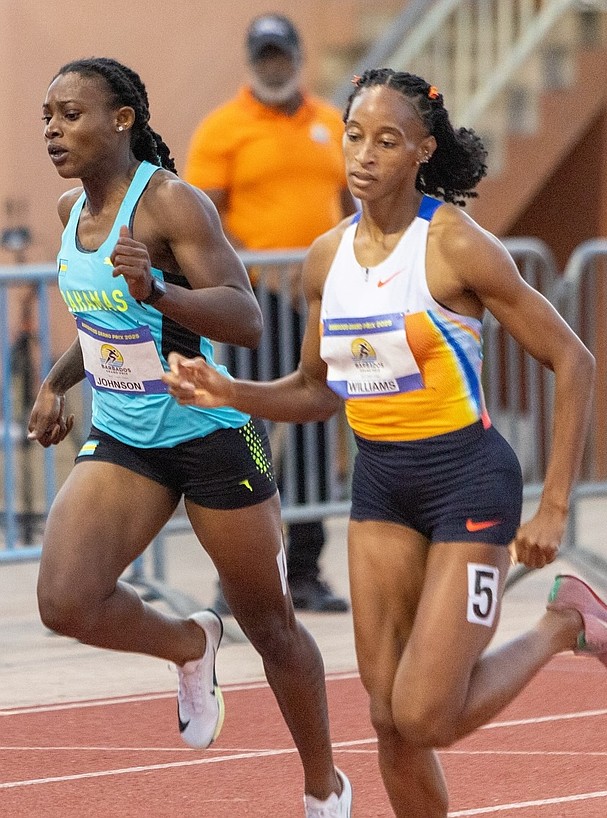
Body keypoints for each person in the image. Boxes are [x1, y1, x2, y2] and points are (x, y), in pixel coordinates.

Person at [164, 68, 607, 817]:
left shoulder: (455, 244)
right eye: (354, 135)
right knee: (390, 722)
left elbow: (572, 360)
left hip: (468, 480)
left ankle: (563, 623)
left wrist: (553, 504)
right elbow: (318, 391)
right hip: (382, 486)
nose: (363, 154)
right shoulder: (324, 258)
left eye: (386, 140)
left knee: (425, 714)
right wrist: (233, 393)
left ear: (421, 149)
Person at [30, 56, 351, 817]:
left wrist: (161, 288)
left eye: (70, 114)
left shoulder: (173, 206)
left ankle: (324, 789)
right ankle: (186, 645)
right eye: (46, 116)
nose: (52, 129)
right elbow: (107, 321)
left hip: (208, 432)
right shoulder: (71, 211)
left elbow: (246, 318)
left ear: (122, 119)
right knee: (65, 601)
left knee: (271, 625)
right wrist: (56, 380)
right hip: (127, 437)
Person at [184, 12, 357, 613]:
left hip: (327, 300)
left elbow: (350, 200)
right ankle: (241, 574)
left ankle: (305, 569)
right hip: (260, 301)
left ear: (299, 55)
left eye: (282, 53)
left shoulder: (332, 123)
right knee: (244, 429)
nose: (274, 65)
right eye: (264, 55)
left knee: (312, 426)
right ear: (251, 60)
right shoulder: (224, 128)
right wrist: (247, 268)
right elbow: (203, 218)